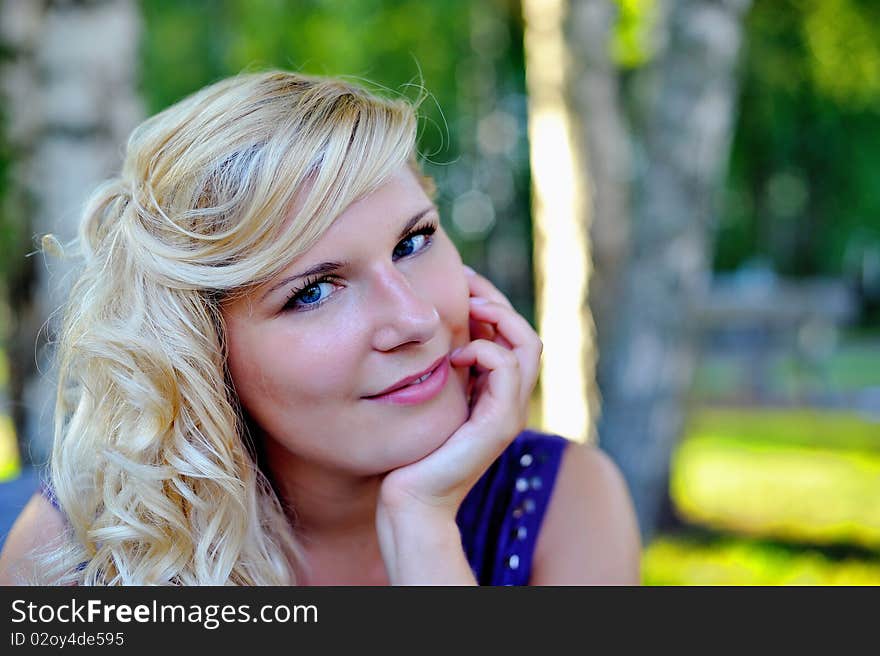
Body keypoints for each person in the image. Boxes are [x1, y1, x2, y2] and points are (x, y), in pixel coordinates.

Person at [0, 70, 640, 585]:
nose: (414, 320)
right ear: (201, 350)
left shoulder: (561, 506)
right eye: (313, 292)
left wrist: (421, 529)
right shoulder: (80, 550)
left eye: (413, 242)